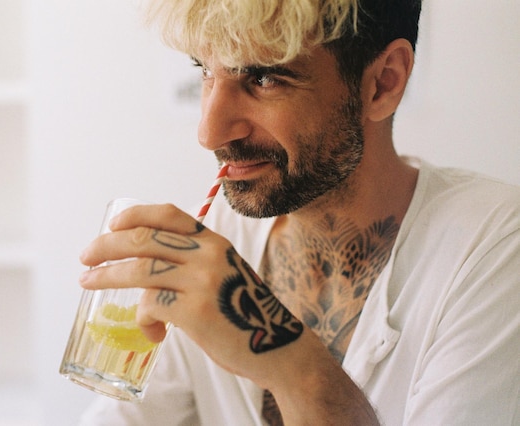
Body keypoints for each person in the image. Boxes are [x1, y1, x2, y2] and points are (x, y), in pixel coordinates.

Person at [77, 0, 520, 424]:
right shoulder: (204, 253)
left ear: (383, 81)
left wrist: (292, 365)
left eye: (264, 78)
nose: (209, 132)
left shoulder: (494, 248)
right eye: (205, 71)